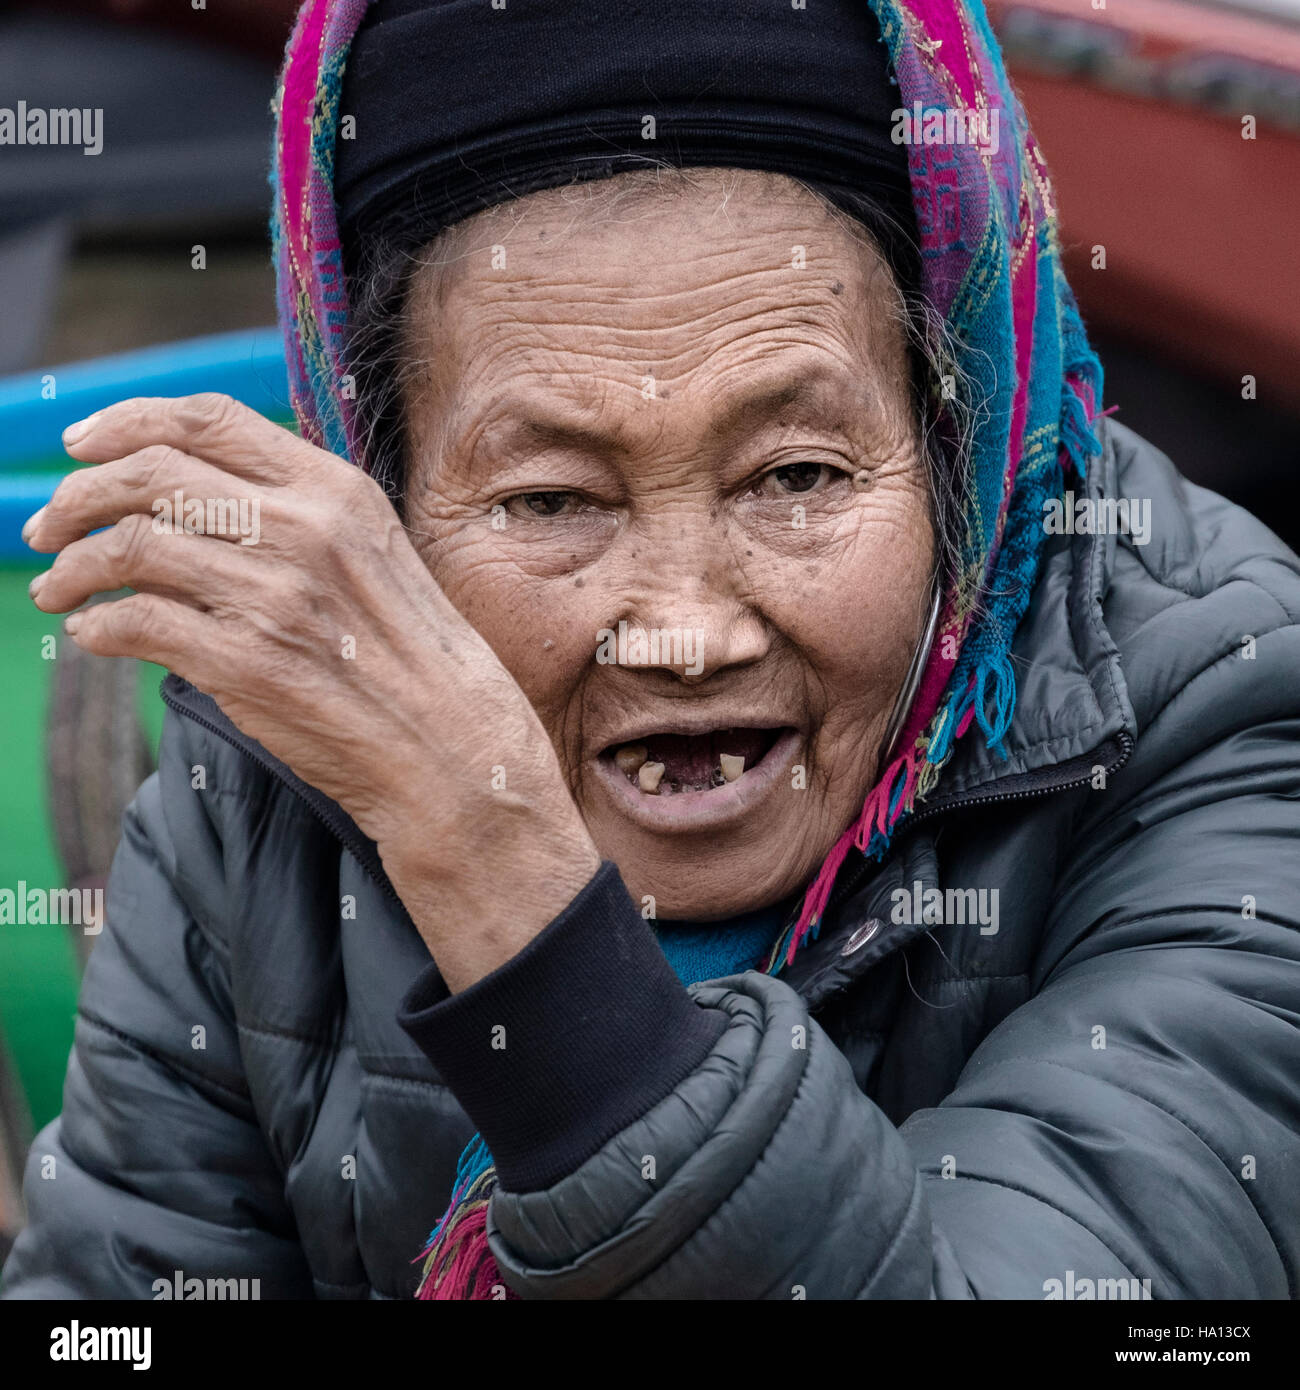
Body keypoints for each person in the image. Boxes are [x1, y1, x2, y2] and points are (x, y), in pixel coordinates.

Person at [3, 0, 1298, 1300]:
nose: (684, 631)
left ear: (960, 442)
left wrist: (498, 868)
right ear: (380, 483)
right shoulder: (284, 761)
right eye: (551, 498)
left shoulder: (1224, 721)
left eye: (795, 474)